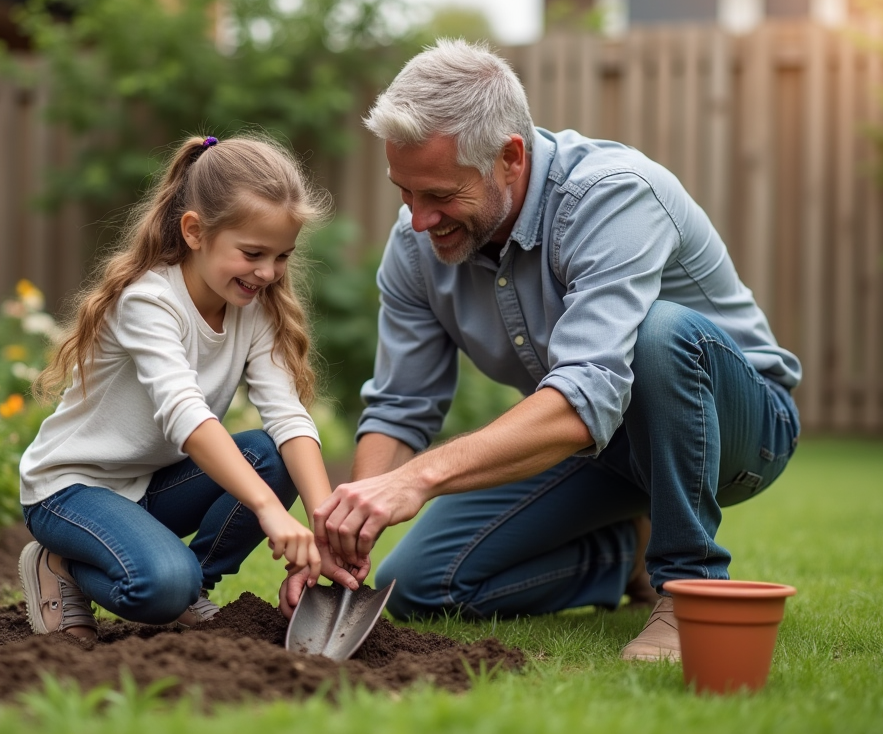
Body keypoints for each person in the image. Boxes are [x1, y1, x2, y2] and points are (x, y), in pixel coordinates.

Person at [301, 40, 802, 661]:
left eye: (440, 195)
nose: (419, 219)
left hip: (740, 432)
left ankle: (690, 587)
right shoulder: (415, 248)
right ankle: (626, 557)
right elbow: (401, 405)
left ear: (509, 157)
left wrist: (418, 479)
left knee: (661, 332)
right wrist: (355, 527)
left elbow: (586, 392)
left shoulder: (613, 196)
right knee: (420, 585)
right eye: (405, 193)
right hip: (600, 446)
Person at [18, 134, 363, 642]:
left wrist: (322, 526)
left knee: (270, 456)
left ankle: (190, 587)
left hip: (150, 485)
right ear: (196, 232)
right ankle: (61, 565)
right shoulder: (149, 302)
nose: (267, 273)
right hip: (70, 490)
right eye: (252, 253)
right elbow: (187, 417)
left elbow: (287, 417)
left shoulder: (253, 306)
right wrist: (268, 510)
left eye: (282, 256)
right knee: (161, 585)